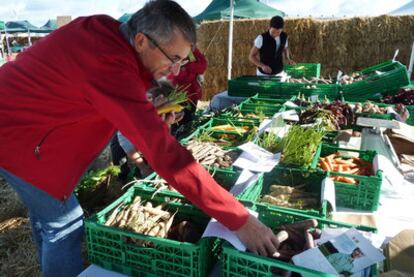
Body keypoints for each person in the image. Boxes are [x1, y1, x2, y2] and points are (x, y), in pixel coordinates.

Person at [0, 1, 281, 276]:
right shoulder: (106, 62)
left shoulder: (106, 31)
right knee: (65, 223)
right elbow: (168, 157)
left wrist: (149, 110)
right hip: (16, 137)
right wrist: (239, 219)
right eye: (173, 59)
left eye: (183, 61)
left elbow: (99, 89)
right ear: (141, 40)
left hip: (35, 131)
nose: (176, 71)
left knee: (48, 218)